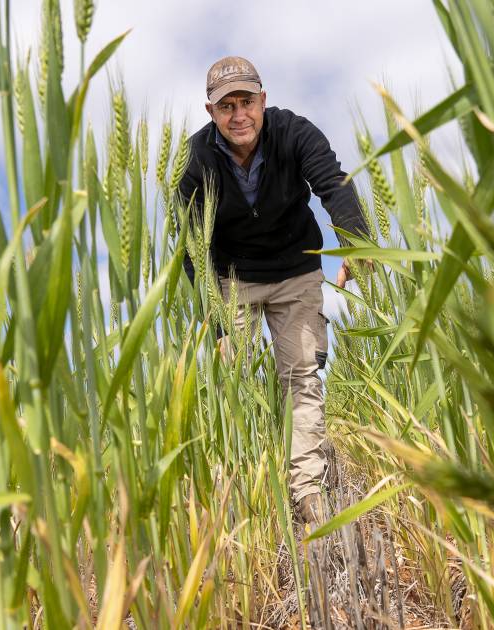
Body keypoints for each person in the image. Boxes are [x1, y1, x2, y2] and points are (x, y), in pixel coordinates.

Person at [178, 55, 370, 527]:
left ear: (263, 101)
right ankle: (247, 490)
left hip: (294, 270)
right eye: (227, 106)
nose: (238, 114)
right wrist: (218, 324)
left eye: (247, 101)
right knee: (234, 383)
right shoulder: (196, 158)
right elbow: (188, 241)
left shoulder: (295, 132)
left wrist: (358, 245)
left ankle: (307, 492)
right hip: (232, 278)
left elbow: (334, 185)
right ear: (211, 113)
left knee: (302, 378)